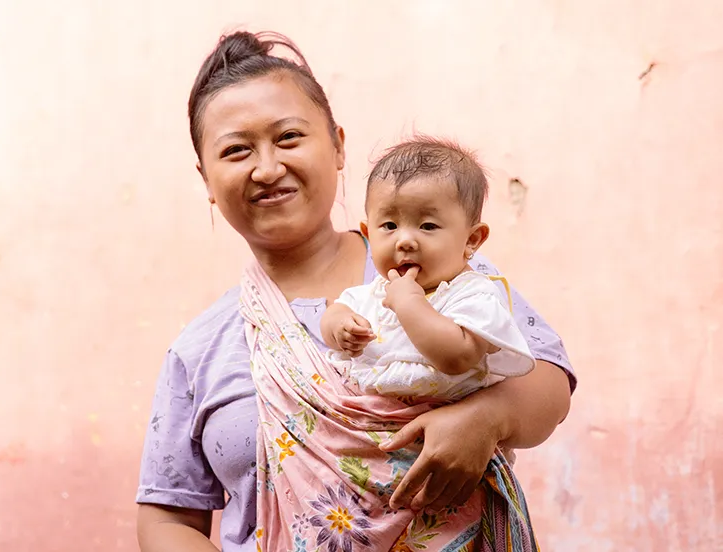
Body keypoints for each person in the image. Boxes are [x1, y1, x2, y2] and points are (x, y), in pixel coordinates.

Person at [136, 30, 575, 552]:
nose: (268, 167)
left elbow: (549, 380)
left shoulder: (447, 277)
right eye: (236, 150)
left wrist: (488, 418)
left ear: (338, 146)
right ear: (207, 178)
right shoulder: (199, 349)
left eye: (290, 137)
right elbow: (167, 519)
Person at [322, 136, 535, 402]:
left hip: (444, 432)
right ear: (368, 233)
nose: (405, 241)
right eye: (389, 226)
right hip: (369, 424)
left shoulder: (473, 294)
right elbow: (334, 313)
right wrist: (339, 327)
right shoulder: (370, 295)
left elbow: (458, 357)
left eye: (428, 226)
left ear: (471, 240)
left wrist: (410, 303)